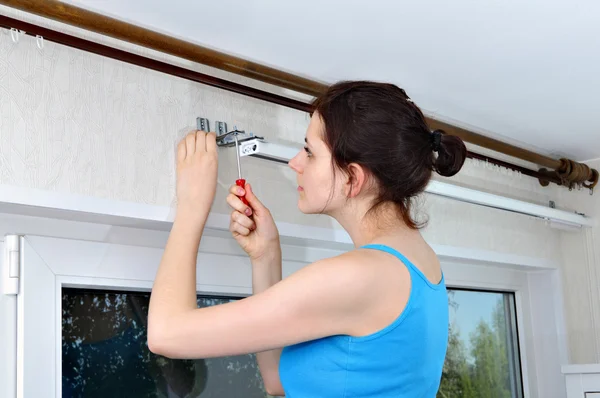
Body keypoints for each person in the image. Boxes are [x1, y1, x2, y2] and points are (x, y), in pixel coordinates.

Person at [148, 80, 468, 397]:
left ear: (352, 178)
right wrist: (266, 255)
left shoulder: (362, 276)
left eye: (309, 152)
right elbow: (278, 382)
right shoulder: (421, 265)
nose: (295, 163)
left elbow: (166, 333)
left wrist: (191, 206)